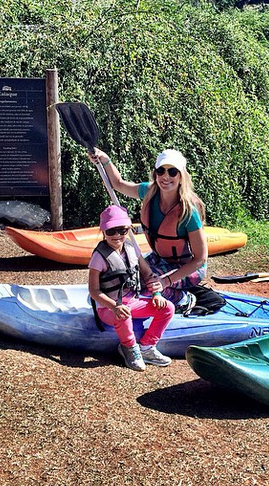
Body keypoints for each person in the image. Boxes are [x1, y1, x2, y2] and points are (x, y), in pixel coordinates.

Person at [90, 148, 207, 315]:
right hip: (159, 260)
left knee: (146, 286)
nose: (166, 177)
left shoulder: (188, 212)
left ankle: (183, 299)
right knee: (126, 278)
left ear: (181, 176)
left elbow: (200, 259)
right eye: (161, 171)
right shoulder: (149, 191)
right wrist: (105, 160)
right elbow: (118, 184)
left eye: (172, 172)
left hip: (188, 267)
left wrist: (166, 281)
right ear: (155, 173)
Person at [88, 204, 175, 371]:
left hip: (132, 302)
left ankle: (147, 347)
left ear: (128, 229)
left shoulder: (131, 249)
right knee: (124, 314)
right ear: (103, 231)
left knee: (167, 308)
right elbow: (94, 291)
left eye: (122, 230)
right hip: (108, 307)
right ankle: (128, 348)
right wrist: (114, 306)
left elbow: (148, 274)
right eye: (111, 231)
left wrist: (157, 293)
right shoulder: (99, 257)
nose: (117, 235)